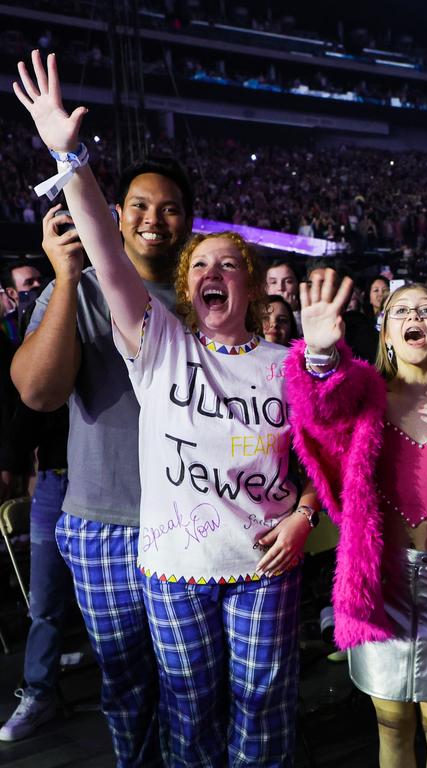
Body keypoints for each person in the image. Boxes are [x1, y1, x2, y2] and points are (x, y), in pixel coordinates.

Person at [14, 51, 316, 765]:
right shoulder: (131, 319)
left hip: (237, 552)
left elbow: (319, 451)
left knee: (234, 703)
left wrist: (305, 509)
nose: (213, 274)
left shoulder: (244, 343)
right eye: (140, 206)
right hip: (136, 537)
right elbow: (42, 383)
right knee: (153, 695)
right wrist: (68, 158)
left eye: (229, 264)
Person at [12, 71, 194, 768]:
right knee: (126, 689)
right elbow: (37, 393)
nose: (155, 218)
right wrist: (63, 280)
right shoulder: (83, 289)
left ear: (190, 221)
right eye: (141, 204)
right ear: (114, 214)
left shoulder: (204, 297)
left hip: (190, 526)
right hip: (105, 526)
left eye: (172, 208)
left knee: (189, 686)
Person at [285, 278, 427, 768]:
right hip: (379, 585)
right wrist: (322, 358)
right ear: (386, 333)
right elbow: (321, 416)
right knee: (391, 725)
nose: (414, 317)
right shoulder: (365, 398)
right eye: (402, 311)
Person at [0, 220, 72, 744]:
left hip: (117, 485)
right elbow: (25, 410)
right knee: (44, 597)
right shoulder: (49, 315)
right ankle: (40, 690)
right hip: (55, 478)